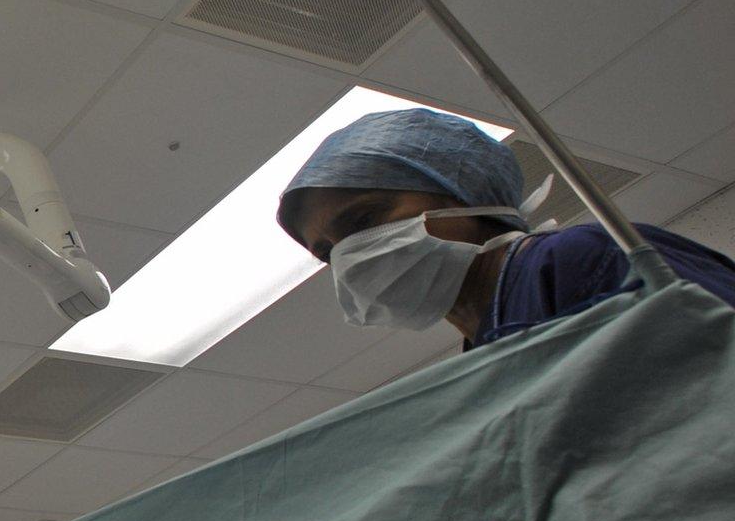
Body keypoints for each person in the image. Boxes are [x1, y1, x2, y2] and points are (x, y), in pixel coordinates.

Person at [277, 108, 735, 346]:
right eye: (326, 252)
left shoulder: (578, 258)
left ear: (467, 196)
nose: (348, 256)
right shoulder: (483, 347)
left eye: (363, 220)